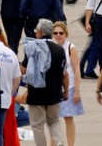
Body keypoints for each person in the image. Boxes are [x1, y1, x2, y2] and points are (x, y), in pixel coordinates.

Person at [23, 18, 68, 146]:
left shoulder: (32, 47)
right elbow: (64, 74)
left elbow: (24, 68)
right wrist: (65, 92)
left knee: (37, 125)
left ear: (40, 32)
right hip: (54, 92)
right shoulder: (59, 50)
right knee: (54, 120)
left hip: (36, 93)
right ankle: (59, 142)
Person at [51, 21, 83, 146]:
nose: (58, 35)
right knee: (53, 119)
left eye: (61, 33)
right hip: (55, 89)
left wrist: (77, 91)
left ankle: (71, 144)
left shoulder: (71, 48)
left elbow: (77, 71)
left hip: (68, 88)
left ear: (66, 34)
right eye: (55, 33)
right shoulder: (52, 47)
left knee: (68, 118)